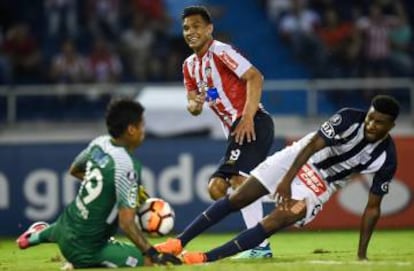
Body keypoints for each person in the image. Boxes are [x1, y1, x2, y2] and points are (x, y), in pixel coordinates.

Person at [155, 95, 400, 264]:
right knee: (238, 197)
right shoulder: (348, 118)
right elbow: (313, 145)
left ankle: (204, 258)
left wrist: (361, 254)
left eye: (379, 122)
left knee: (277, 220)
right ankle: (178, 242)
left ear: (391, 125)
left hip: (321, 184)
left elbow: (372, 208)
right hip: (298, 158)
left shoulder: (386, 158)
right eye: (370, 117)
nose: (371, 124)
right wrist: (285, 181)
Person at [16, 99, 181, 268]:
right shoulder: (128, 166)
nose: (143, 132)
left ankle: (35, 236)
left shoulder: (99, 143)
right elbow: (127, 224)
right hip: (86, 249)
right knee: (149, 262)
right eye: (142, 126)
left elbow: (75, 170)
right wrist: (152, 253)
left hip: (64, 226)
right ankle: (77, 261)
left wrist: (111, 189)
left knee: (66, 228)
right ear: (131, 129)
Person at [176, 5, 275, 258]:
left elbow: (255, 77)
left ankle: (259, 245)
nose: (190, 32)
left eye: (196, 26)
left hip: (254, 123)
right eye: (186, 27)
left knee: (238, 181)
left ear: (209, 28)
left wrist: (247, 117)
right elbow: (193, 105)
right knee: (216, 188)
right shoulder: (189, 66)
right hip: (236, 131)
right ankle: (280, 190)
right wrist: (194, 104)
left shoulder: (221, 52)